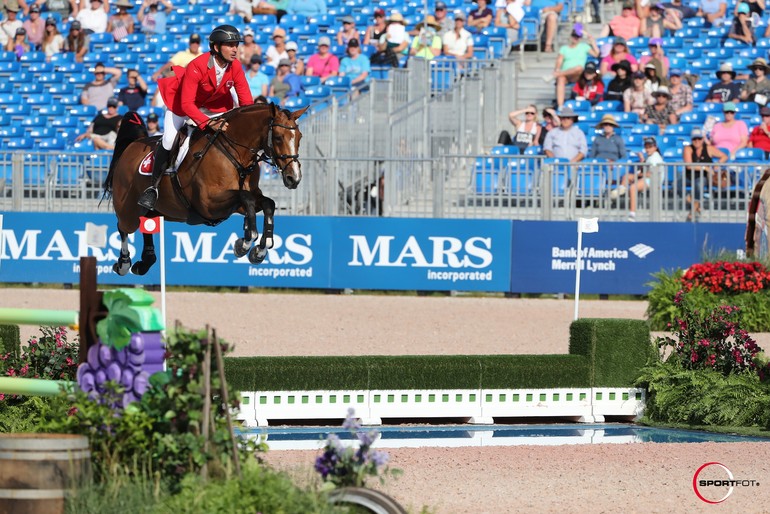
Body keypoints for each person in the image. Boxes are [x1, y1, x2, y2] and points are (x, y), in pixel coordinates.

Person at [138, 25, 254, 210]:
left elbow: (247, 102)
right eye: (230, 45)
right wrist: (208, 123)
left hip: (215, 108)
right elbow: (187, 104)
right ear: (216, 47)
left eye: (236, 45)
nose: (235, 49)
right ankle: (153, 188)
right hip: (183, 106)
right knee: (168, 140)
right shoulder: (197, 66)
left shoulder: (236, 67)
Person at [545, 24, 599, 109]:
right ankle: (560, 105)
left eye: (578, 37)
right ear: (571, 37)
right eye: (574, 36)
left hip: (578, 74)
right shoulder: (564, 48)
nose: (576, 38)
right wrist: (557, 69)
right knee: (561, 79)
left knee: (579, 68)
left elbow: (596, 54)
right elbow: (559, 60)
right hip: (566, 75)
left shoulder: (584, 46)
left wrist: (592, 41)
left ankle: (556, 74)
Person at [683, 128, 728, 221]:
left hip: (703, 176)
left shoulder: (709, 148)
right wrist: (705, 167)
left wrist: (717, 164)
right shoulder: (688, 149)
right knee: (677, 184)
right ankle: (696, 206)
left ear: (703, 139)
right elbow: (689, 166)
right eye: (694, 139)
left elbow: (724, 156)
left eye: (699, 139)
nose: (697, 141)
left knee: (699, 183)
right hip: (689, 176)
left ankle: (692, 211)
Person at [616, 136, 665, 221]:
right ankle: (621, 190)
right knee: (627, 176)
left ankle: (632, 214)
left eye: (650, 147)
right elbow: (645, 168)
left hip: (654, 181)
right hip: (649, 178)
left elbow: (651, 173)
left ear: (655, 147)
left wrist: (637, 175)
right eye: (646, 147)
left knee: (633, 187)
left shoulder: (655, 157)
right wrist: (642, 159)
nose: (647, 149)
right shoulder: (650, 156)